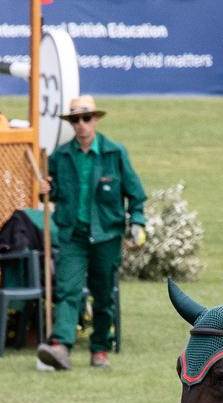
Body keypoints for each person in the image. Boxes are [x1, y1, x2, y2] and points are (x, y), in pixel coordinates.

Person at [38, 94, 147, 371]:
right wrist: (43, 191)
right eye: (75, 120)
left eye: (85, 118)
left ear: (95, 119)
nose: (80, 124)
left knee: (103, 294)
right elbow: (49, 191)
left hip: (106, 236)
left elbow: (136, 193)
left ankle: (100, 348)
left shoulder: (114, 152)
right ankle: (61, 345)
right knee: (67, 290)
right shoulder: (60, 156)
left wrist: (137, 222)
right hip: (73, 234)